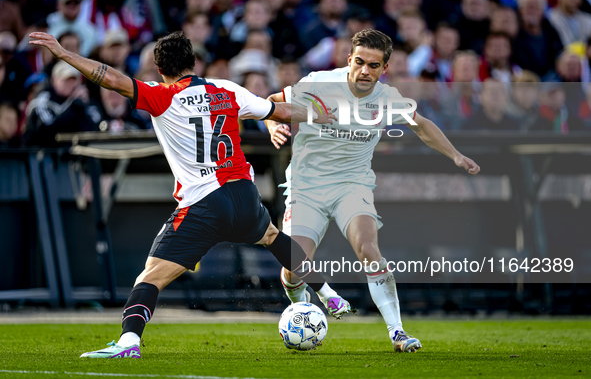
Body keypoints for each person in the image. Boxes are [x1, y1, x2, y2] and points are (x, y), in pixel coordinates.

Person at [29, 30, 342, 359]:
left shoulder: (160, 95)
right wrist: (318, 114)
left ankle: (128, 343)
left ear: (158, 68)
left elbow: (110, 79)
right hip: (244, 194)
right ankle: (326, 291)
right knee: (272, 236)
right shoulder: (226, 89)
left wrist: (65, 54)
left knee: (151, 276)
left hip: (204, 202)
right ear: (193, 62)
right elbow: (278, 112)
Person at [265, 29, 480, 353]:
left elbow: (420, 124)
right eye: (360, 62)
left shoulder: (387, 98)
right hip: (307, 186)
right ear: (349, 60)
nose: (366, 71)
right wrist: (273, 126)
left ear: (384, 69)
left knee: (368, 249)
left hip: (353, 185)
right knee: (294, 264)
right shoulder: (318, 83)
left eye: (374, 65)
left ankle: (398, 332)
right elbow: (271, 102)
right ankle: (300, 305)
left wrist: (455, 155)